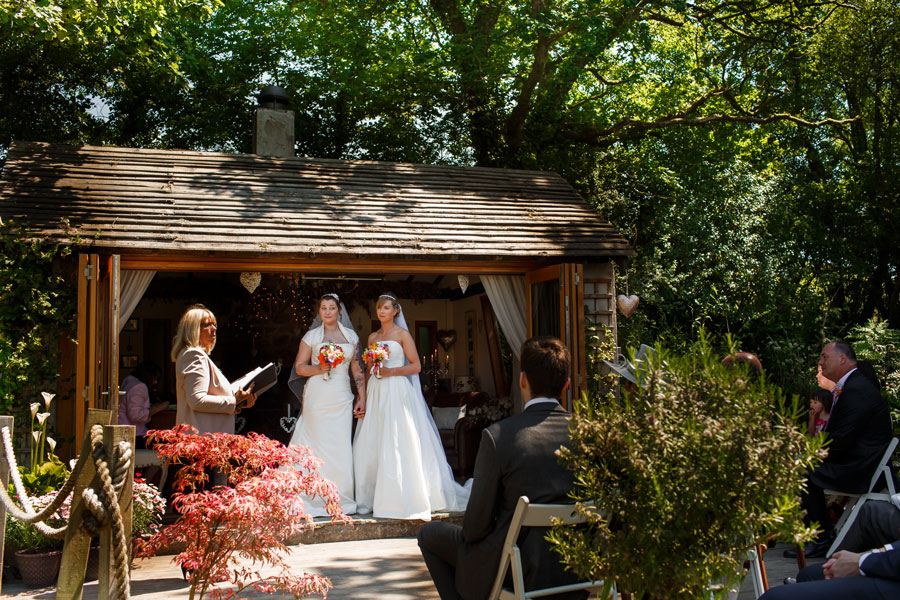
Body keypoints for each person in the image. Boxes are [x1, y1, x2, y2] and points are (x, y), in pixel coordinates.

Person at [417, 336, 586, 600]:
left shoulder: (499, 436)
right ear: (566, 384)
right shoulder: (590, 435)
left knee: (429, 534)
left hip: (517, 570)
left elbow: (475, 528)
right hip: (579, 571)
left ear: (522, 380)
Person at [353, 293, 468, 520]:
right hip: (376, 391)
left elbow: (416, 366)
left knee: (396, 438)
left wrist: (392, 371)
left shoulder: (402, 335)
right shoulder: (373, 337)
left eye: (386, 308)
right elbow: (367, 369)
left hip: (397, 389)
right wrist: (362, 397)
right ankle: (370, 497)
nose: (382, 311)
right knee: (372, 439)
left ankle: (399, 497)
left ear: (395, 310)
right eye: (379, 308)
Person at [789, 341, 892, 558]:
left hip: (861, 468)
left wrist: (812, 455)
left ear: (842, 359)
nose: (820, 362)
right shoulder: (851, 386)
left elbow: (842, 438)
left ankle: (819, 538)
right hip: (855, 461)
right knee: (803, 464)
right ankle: (820, 535)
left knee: (803, 470)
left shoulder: (857, 389)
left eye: (824, 357)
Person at [287, 293, 365, 517]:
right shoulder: (311, 336)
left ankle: (339, 496)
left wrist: (362, 396)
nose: (328, 312)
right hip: (318, 396)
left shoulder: (351, 336)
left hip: (341, 396)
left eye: (332, 308)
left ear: (339, 311)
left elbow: (357, 370)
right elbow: (300, 367)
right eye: (324, 308)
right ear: (319, 311)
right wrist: (319, 368)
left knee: (339, 444)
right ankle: (310, 494)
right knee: (316, 441)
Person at [171, 304, 257, 435]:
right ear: (192, 329)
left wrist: (240, 402)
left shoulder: (192, 354)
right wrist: (234, 401)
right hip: (201, 440)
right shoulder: (194, 355)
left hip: (204, 439)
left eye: (214, 324)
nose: (214, 328)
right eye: (207, 324)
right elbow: (197, 401)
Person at [119, 360, 169, 449]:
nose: (155, 382)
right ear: (148, 376)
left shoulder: (128, 380)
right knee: (167, 443)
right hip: (135, 435)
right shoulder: (139, 386)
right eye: (155, 378)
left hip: (125, 432)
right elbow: (135, 415)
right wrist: (158, 408)